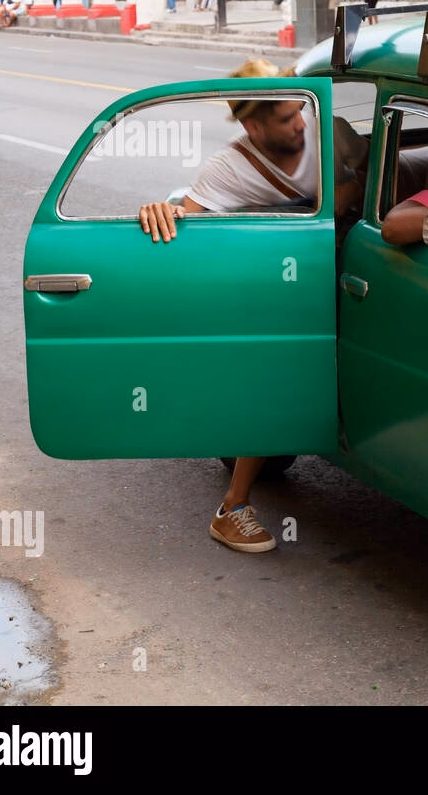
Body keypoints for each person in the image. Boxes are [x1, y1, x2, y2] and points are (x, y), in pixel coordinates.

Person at [137, 59, 370, 552]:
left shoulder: (328, 127)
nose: (301, 123)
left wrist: (343, 197)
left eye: (300, 111)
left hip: (352, 257)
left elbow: (368, 173)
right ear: (253, 125)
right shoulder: (231, 167)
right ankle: (232, 508)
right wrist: (158, 210)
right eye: (287, 118)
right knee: (273, 371)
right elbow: (187, 218)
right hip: (290, 276)